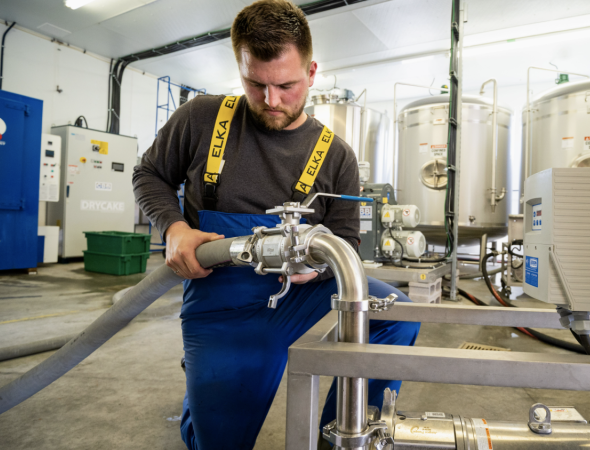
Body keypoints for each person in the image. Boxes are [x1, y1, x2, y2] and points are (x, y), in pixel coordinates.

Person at [132, 1, 420, 448]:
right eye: (255, 84)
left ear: (311, 71)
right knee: (219, 441)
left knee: (395, 315)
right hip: (222, 301)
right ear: (240, 68)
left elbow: (346, 238)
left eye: (286, 85)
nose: (271, 101)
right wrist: (174, 227)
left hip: (302, 295)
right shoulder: (201, 118)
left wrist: (321, 267)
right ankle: (202, 388)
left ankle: (341, 437)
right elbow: (148, 174)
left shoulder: (337, 154)